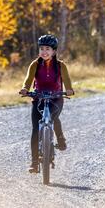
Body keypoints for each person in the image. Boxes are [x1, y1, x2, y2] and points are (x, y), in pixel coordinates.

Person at [19, 34, 75, 173]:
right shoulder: (35, 64)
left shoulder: (61, 65)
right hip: (38, 97)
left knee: (53, 118)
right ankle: (34, 162)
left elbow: (67, 80)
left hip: (56, 98)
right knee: (35, 130)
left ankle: (60, 139)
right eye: (42, 49)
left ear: (54, 51)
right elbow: (28, 79)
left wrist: (68, 90)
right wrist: (25, 89)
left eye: (47, 49)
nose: (44, 52)